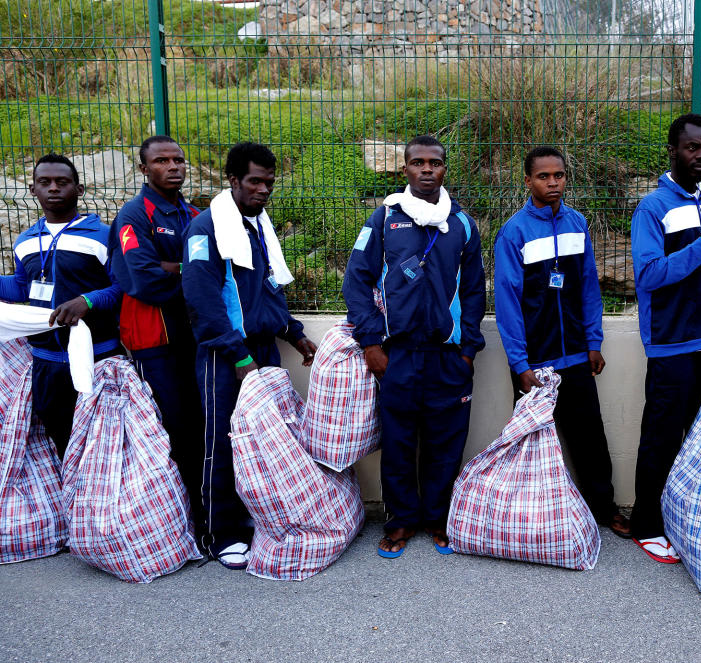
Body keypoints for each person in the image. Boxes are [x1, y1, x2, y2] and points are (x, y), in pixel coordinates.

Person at [342, 135, 486, 559]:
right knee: (400, 442)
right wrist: (371, 342)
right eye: (418, 163)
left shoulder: (461, 223)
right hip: (397, 355)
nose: (427, 169)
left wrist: (467, 349)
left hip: (448, 357)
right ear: (404, 169)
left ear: (445, 168)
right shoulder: (384, 219)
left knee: (446, 442)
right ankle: (401, 521)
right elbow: (357, 281)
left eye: (435, 163)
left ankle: (438, 520)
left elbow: (476, 291)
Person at [181, 141, 318, 569]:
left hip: (262, 353)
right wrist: (240, 359)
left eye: (269, 182)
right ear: (233, 180)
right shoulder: (207, 229)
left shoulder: (258, 227)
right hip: (226, 358)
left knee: (260, 443)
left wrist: (294, 334)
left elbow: (267, 291)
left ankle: (255, 522)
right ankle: (219, 534)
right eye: (255, 181)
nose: (263, 190)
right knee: (221, 442)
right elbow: (202, 302)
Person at [493, 146, 631, 538]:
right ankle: (528, 519)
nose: (552, 182)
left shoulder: (577, 223)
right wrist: (520, 364)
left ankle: (604, 509)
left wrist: (594, 341)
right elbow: (507, 304)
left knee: (590, 435)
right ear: (528, 181)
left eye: (559, 175)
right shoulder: (514, 232)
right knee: (531, 443)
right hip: (535, 360)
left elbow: (589, 286)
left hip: (575, 354)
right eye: (543, 176)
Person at [629, 114, 701, 563]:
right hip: (671, 341)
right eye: (692, 148)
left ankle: (687, 519)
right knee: (661, 436)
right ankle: (646, 524)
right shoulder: (653, 207)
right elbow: (650, 275)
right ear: (673, 150)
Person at [108, 135, 206, 536]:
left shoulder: (194, 213)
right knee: (174, 429)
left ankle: (206, 511)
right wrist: (189, 273)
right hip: (156, 342)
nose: (173, 166)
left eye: (179, 160)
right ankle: (182, 522)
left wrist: (176, 268)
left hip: (196, 337)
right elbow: (143, 278)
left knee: (200, 425)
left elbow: (216, 271)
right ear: (144, 168)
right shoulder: (134, 216)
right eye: (162, 160)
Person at [0, 153, 123, 457]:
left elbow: (123, 288)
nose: (53, 188)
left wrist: (88, 301)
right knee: (61, 442)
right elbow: (20, 288)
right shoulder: (26, 241)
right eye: (45, 182)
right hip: (47, 364)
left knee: (102, 447)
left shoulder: (103, 236)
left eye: (62, 182)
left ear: (78, 190)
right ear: (33, 190)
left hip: (100, 358)